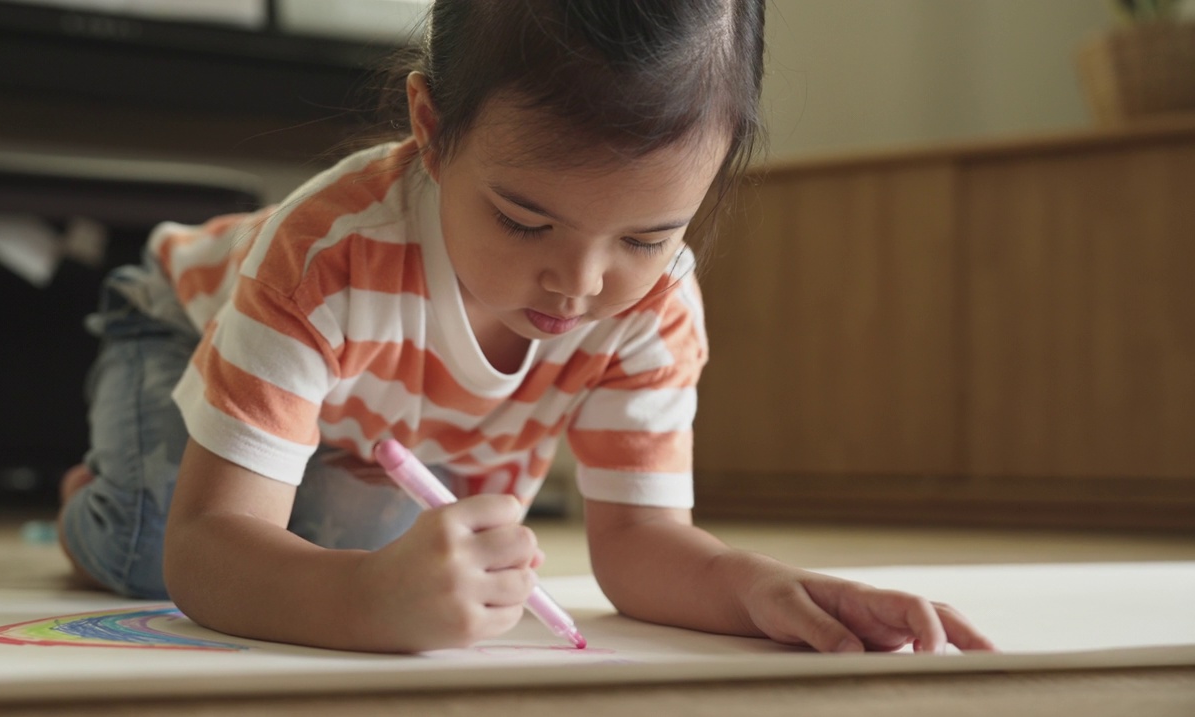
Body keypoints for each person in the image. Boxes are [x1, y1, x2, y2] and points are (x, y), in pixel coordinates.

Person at [58, 0, 995, 655]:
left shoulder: (653, 303)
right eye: (523, 220)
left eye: (646, 235)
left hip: (383, 428)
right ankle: (97, 494)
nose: (580, 285)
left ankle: (285, 483)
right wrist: (365, 602)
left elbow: (640, 547)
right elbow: (209, 543)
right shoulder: (328, 254)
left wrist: (760, 589)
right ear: (429, 127)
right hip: (183, 323)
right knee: (156, 547)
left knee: (395, 548)